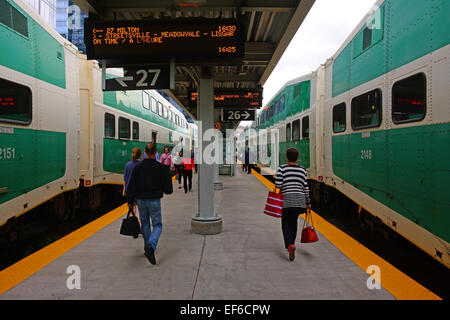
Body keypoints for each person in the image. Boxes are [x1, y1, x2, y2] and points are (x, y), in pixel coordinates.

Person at [126, 143, 173, 265]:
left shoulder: (138, 167)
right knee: (157, 225)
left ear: (145, 152)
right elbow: (168, 190)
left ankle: (147, 249)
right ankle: (151, 247)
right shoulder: (161, 168)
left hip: (141, 200)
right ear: (155, 152)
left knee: (145, 224)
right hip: (154, 200)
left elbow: (130, 185)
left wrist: (130, 200)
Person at [274, 148, 311, 262]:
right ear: (297, 157)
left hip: (287, 200)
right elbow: (305, 187)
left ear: (287, 157)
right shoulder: (302, 170)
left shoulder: (282, 169)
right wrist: (308, 201)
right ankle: (292, 244)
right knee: (293, 222)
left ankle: (290, 245)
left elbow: (278, 185)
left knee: (285, 223)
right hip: (299, 201)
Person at [123, 147, 142, 232]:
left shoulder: (128, 164)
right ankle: (141, 227)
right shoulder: (141, 164)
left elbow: (125, 179)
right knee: (141, 210)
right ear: (140, 155)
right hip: (139, 190)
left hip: (129, 190)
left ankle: (134, 227)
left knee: (132, 209)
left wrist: (124, 190)